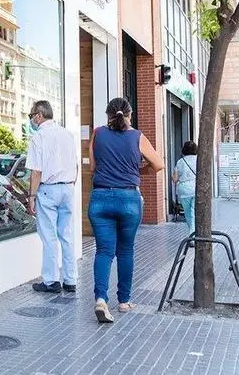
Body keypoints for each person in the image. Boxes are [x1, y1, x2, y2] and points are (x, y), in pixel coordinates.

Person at [89, 97, 164, 323]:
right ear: (129, 115)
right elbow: (158, 164)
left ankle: (101, 299)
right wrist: (136, 172)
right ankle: (123, 301)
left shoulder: (98, 133)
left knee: (103, 251)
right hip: (128, 199)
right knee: (125, 250)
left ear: (108, 115)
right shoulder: (137, 137)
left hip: (100, 197)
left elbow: (93, 168)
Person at [26, 100, 79, 294]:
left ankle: (51, 281)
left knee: (49, 237)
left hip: (48, 190)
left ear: (39, 116)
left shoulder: (38, 137)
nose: (31, 119)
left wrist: (32, 196)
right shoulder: (67, 134)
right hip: (67, 188)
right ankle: (71, 280)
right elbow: (76, 165)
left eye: (31, 115)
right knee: (67, 235)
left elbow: (36, 172)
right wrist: (70, 185)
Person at [172, 141, 198, 233]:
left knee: (188, 213)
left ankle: (192, 233)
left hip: (184, 189)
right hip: (196, 188)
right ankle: (193, 234)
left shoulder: (180, 162)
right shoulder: (199, 159)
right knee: (193, 212)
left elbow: (175, 179)